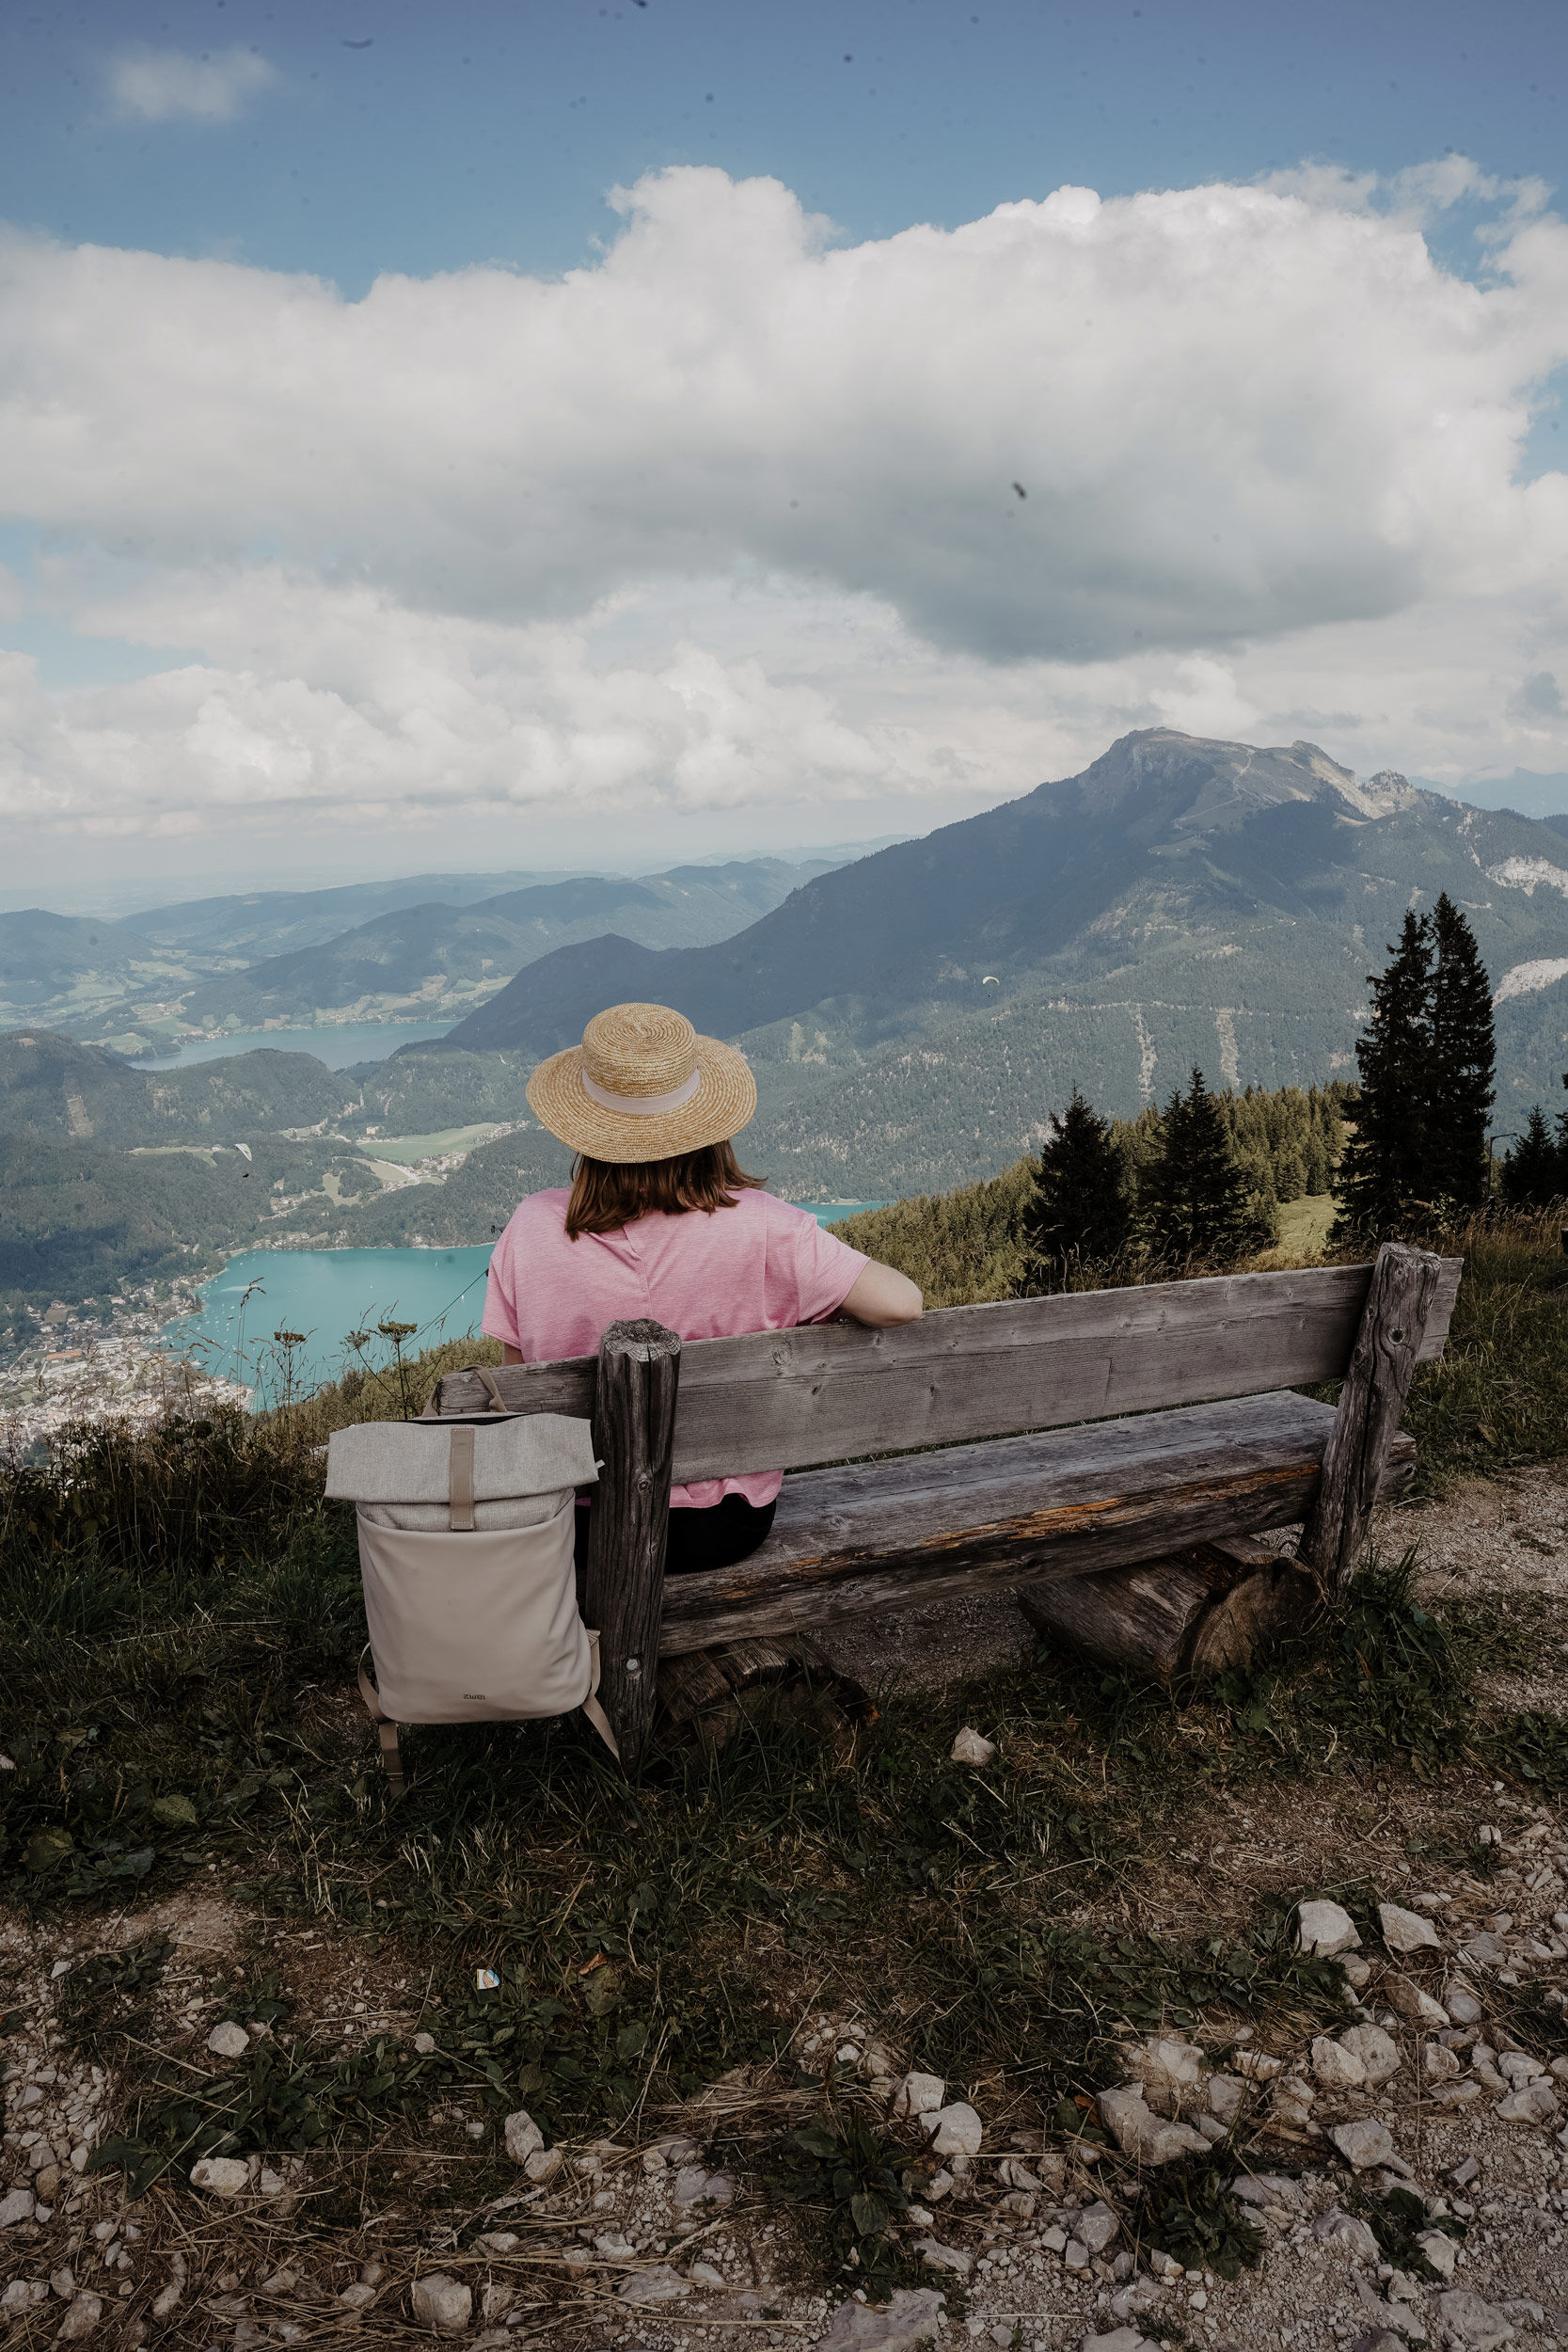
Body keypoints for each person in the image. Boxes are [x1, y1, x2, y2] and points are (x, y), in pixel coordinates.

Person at [482, 1000, 923, 1575]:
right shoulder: (765, 1227)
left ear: (587, 1131)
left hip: (577, 1529)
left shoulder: (533, 1227)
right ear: (705, 1126)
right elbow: (902, 1303)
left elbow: (519, 1389)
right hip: (723, 1526)